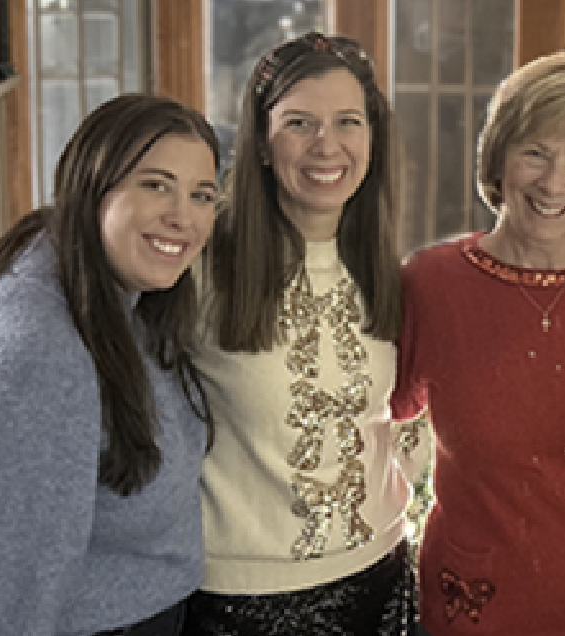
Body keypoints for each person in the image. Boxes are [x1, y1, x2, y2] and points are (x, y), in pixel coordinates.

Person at [391, 51, 565, 636]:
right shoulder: (431, 283)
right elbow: (379, 410)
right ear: (499, 160)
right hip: (471, 611)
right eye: (535, 153)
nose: (553, 183)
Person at [0, 94, 219, 636]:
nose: (182, 217)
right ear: (91, 186)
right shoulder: (41, 360)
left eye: (202, 195)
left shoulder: (101, 296)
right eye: (154, 184)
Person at [182, 32, 425, 636]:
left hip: (381, 581)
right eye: (299, 122)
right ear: (262, 142)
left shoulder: (387, 274)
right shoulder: (197, 263)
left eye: (348, 121)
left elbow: (403, 422)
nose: (327, 145)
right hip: (240, 601)